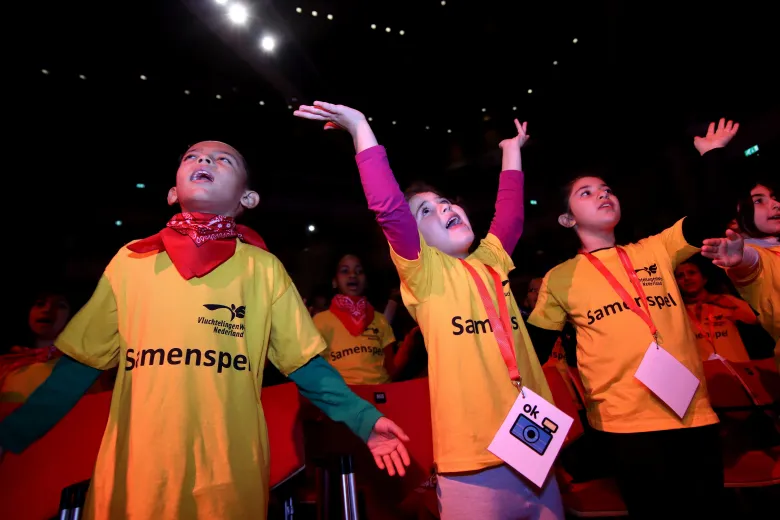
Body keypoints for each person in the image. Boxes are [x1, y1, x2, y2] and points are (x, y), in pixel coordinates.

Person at [0, 140, 409, 520]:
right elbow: (79, 366)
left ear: (247, 198)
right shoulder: (130, 262)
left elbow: (306, 365)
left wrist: (363, 420)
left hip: (227, 478)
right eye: (192, 156)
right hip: (133, 477)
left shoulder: (263, 269)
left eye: (223, 159)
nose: (205, 161)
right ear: (172, 193)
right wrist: (11, 433)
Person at [295, 102, 563, 519]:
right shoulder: (425, 273)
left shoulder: (491, 261)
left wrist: (512, 151)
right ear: (414, 239)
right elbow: (388, 207)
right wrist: (362, 130)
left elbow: (508, 217)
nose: (444, 209)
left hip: (536, 447)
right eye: (427, 211)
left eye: (445, 203)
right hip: (473, 460)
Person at [527, 119, 740, 519]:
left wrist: (712, 155)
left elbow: (711, 216)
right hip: (624, 425)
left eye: (606, 189)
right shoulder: (560, 278)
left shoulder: (656, 249)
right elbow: (533, 350)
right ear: (568, 218)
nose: (602, 195)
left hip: (692, 411)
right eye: (586, 193)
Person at [701, 182, 779, 369]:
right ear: (733, 221)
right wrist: (741, 256)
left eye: (774, 198)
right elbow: (750, 261)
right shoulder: (755, 254)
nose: (776, 204)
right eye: (759, 201)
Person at [315, 253, 410, 384]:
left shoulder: (380, 320)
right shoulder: (320, 321)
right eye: (345, 271)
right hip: (343, 397)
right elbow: (315, 372)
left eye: (359, 271)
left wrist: (407, 347)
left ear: (365, 281)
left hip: (380, 394)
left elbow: (391, 370)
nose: (353, 275)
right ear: (334, 281)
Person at [675, 258, 757, 361]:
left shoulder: (726, 301)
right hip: (703, 374)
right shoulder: (677, 312)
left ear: (704, 278)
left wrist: (730, 305)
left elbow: (756, 320)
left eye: (692, 273)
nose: (686, 278)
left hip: (739, 370)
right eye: (680, 276)